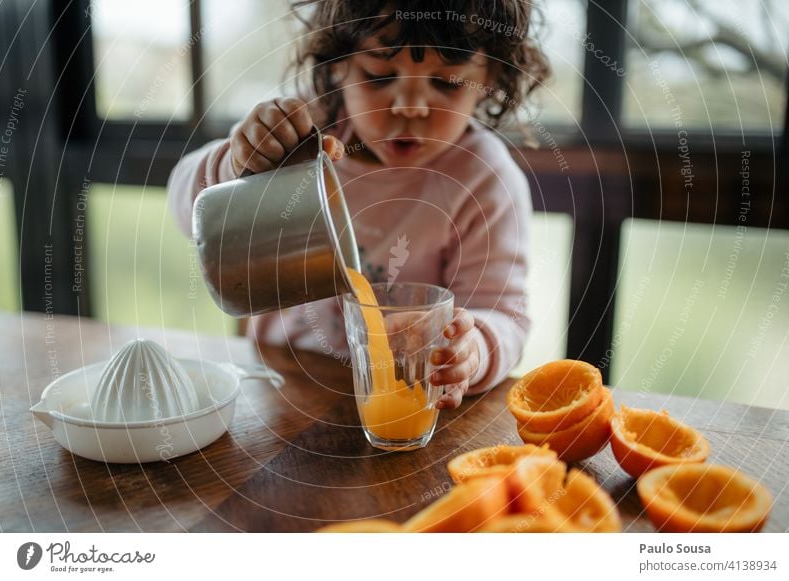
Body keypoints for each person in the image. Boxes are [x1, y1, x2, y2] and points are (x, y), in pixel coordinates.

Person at [168, 1, 549, 409]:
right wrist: (237, 163)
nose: (410, 106)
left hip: (407, 399)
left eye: (448, 84)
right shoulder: (300, 134)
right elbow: (187, 209)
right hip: (277, 388)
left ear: (492, 77)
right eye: (379, 76)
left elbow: (503, 313)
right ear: (337, 67)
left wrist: (472, 350)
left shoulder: (485, 180)